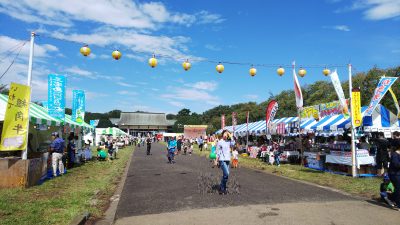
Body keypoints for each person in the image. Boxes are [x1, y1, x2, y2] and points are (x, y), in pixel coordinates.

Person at [216, 130, 232, 195]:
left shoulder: (229, 141)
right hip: (222, 160)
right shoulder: (220, 142)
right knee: (227, 173)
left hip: (227, 159)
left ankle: (222, 187)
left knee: (225, 176)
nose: (226, 135)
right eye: (225, 134)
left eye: (227, 134)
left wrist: (230, 135)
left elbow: (234, 143)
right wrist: (216, 161)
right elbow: (217, 152)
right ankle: (222, 188)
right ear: (222, 135)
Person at [388, 141, 400, 208]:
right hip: (395, 174)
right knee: (398, 189)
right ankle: (398, 204)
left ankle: (392, 199)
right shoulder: (395, 154)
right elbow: (396, 164)